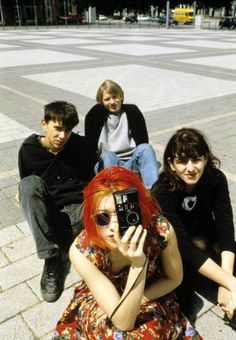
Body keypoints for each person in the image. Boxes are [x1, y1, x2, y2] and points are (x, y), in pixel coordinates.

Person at [53, 166, 202, 339]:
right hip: (102, 297)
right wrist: (138, 266)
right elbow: (123, 323)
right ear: (91, 218)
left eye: (123, 216)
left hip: (151, 290)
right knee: (114, 333)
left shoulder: (159, 230)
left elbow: (174, 277)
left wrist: (141, 292)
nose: (113, 228)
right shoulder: (82, 250)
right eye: (103, 218)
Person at [152, 127, 236, 326]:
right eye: (182, 161)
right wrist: (229, 281)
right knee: (182, 305)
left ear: (206, 159)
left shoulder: (215, 179)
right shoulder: (162, 191)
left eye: (196, 159)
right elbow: (182, 245)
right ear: (171, 164)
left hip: (209, 240)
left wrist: (226, 280)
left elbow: (225, 226)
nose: (190, 168)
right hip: (178, 253)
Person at [18, 101, 94, 303]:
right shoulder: (29, 150)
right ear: (44, 123)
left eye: (68, 130)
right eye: (58, 129)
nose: (63, 136)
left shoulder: (81, 146)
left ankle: (87, 250)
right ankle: (52, 260)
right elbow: (29, 191)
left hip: (81, 213)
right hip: (52, 218)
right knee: (27, 185)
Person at [85, 79, 160, 189]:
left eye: (115, 97)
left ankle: (154, 193)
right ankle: (117, 194)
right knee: (108, 155)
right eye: (107, 99)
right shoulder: (95, 115)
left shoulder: (132, 111)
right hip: (108, 163)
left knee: (146, 148)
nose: (112, 102)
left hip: (131, 161)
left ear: (121, 97)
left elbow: (143, 141)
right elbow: (89, 147)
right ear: (101, 102)